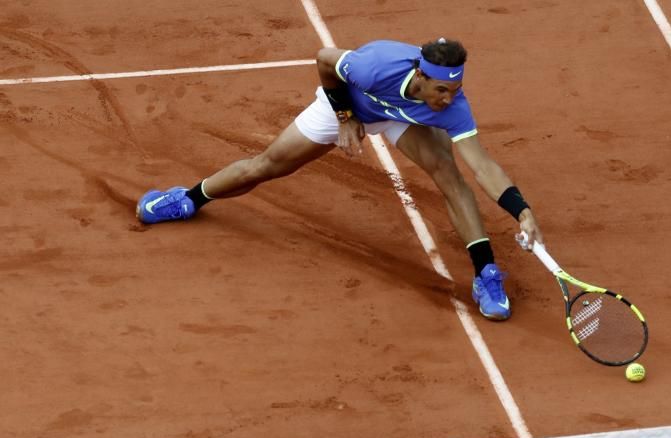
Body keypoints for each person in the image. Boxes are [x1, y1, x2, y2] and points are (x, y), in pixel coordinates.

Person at [136, 37, 543, 321]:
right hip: (349, 104)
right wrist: (346, 119)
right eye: (441, 90)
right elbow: (324, 60)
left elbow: (483, 166)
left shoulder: (449, 106)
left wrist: (520, 210)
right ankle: (187, 198)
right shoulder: (373, 66)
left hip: (400, 118)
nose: (448, 100)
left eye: (455, 90)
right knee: (268, 165)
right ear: (420, 75)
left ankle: (486, 275)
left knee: (450, 174)